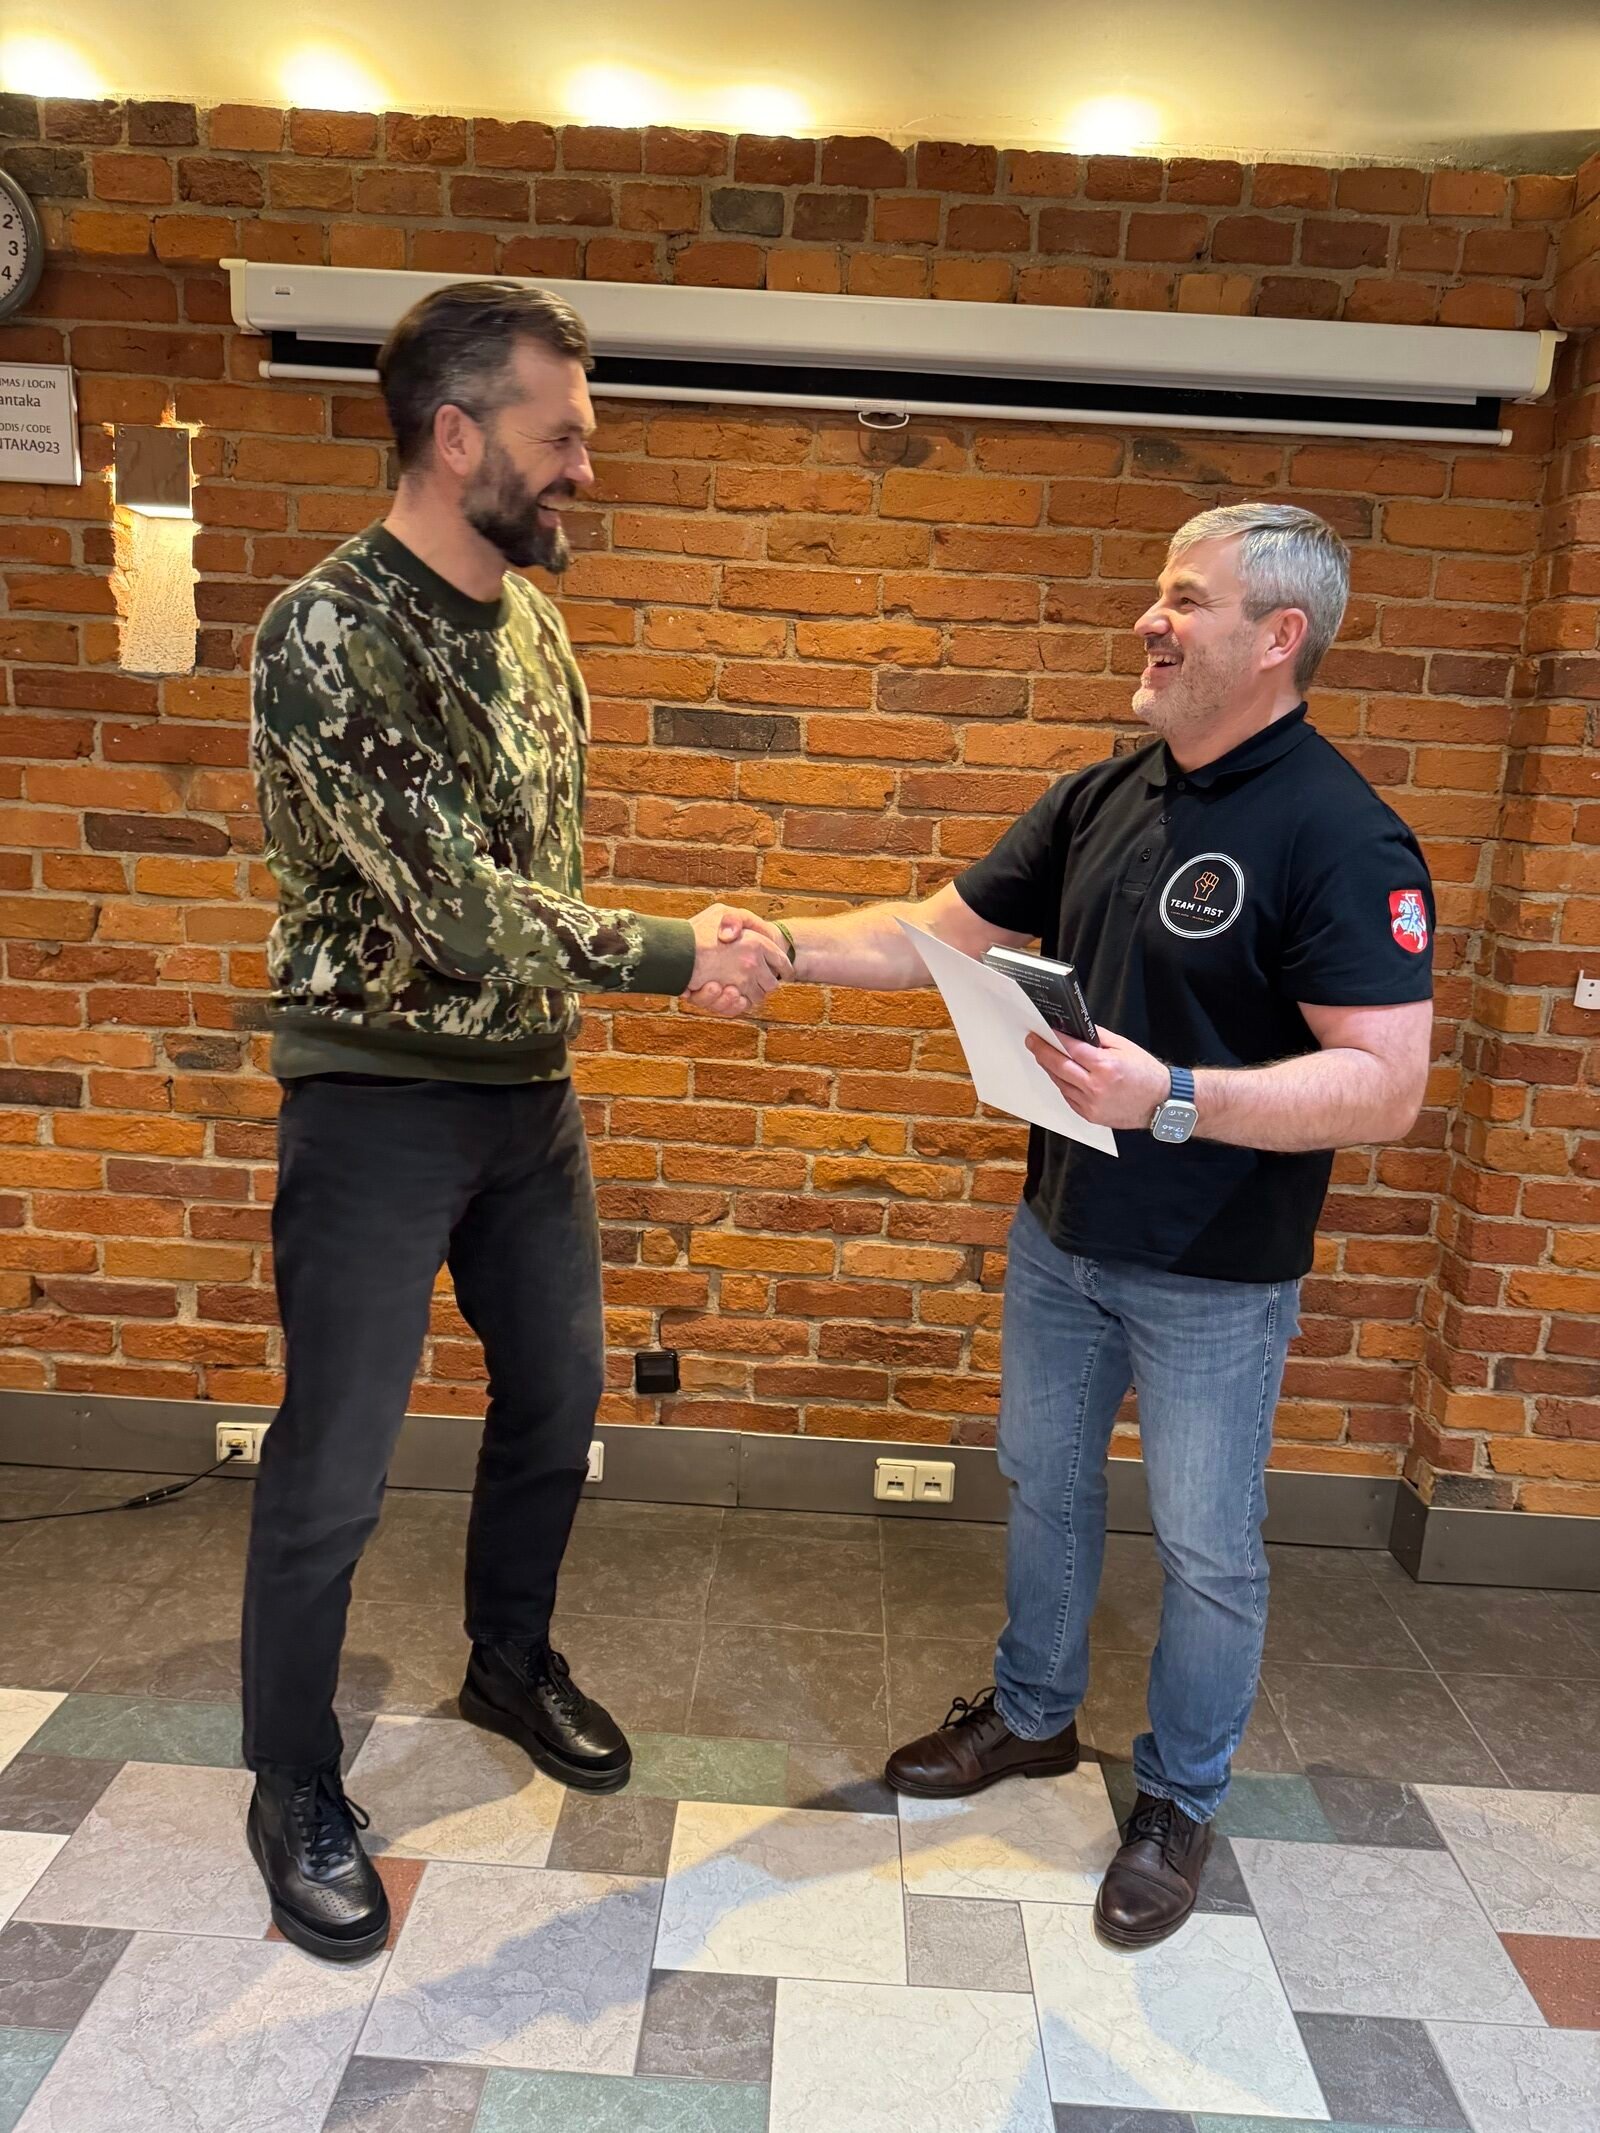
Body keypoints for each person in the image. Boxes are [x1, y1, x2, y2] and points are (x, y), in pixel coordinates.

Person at [698, 503, 1434, 1948]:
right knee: (1043, 1482)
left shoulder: (1345, 835)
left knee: (1208, 1546)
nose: (1150, 621)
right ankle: (1034, 1715)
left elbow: (1386, 1083)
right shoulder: (1107, 794)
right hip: (1062, 1235)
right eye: (1158, 592)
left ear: (1278, 638)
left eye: (1186, 599)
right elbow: (933, 934)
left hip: (1216, 1275)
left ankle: (1179, 1797)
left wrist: (1176, 1097)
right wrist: (782, 944)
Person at [243, 280, 789, 1962]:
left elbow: (537, 878)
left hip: (525, 1101)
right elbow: (462, 912)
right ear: (454, 434)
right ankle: (292, 1777)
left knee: (558, 1397)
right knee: (336, 1458)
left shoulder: (537, 627)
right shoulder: (328, 632)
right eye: (561, 438)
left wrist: (625, 969)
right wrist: (682, 951)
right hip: (376, 1104)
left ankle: (506, 1654)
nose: (584, 470)